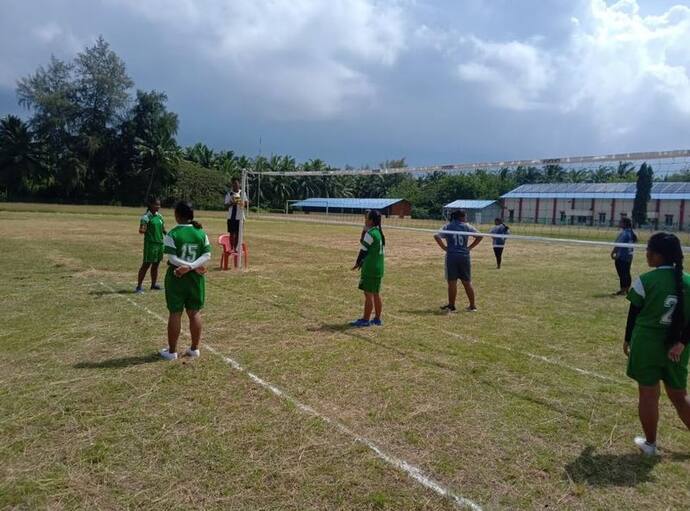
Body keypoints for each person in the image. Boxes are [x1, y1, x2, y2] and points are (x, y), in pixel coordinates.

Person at [624, 232, 690, 455]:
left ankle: (650, 445)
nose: (646, 255)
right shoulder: (688, 281)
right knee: (680, 397)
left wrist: (626, 339)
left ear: (658, 256)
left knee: (648, 394)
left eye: (649, 251)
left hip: (647, 345)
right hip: (677, 350)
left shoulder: (646, 280)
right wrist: (682, 342)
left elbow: (634, 313)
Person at [160, 202, 212, 361]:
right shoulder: (200, 232)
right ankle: (195, 348)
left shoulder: (172, 234)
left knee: (175, 312)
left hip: (177, 277)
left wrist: (186, 267)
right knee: (194, 312)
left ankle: (172, 352)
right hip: (196, 278)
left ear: (177, 215)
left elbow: (171, 257)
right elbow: (207, 255)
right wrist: (192, 266)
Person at [434, 210, 483, 313]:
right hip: (464, 256)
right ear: (461, 217)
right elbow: (480, 236)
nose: (466, 218)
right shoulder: (467, 226)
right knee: (467, 282)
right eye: (465, 216)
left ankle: (452, 306)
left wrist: (444, 247)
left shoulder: (447, 226)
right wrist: (469, 248)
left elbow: (436, 235)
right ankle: (473, 306)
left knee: (452, 282)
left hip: (452, 256)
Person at [350, 210, 385, 327]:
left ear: (371, 220)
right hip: (379, 268)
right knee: (376, 293)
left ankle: (365, 320)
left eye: (366, 218)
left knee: (368, 294)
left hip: (370, 268)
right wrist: (364, 231)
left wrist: (357, 262)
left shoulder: (370, 234)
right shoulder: (379, 232)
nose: (365, 220)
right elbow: (366, 244)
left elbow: (363, 250)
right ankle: (377, 319)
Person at [136, 197, 166, 293]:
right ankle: (139, 287)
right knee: (146, 265)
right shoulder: (146, 217)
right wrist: (143, 229)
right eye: (156, 204)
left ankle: (153, 285)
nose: (158, 206)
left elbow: (163, 229)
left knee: (156, 265)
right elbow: (142, 229)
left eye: (159, 205)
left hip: (160, 244)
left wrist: (170, 235)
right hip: (150, 245)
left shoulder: (160, 217)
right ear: (150, 205)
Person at [612, 217, 638, 295]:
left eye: (621, 222)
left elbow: (618, 245)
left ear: (624, 224)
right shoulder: (632, 233)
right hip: (629, 256)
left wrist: (613, 253)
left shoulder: (624, 233)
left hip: (622, 257)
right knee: (627, 272)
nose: (619, 223)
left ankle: (623, 289)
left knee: (622, 273)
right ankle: (627, 289)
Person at [224, 177, 248, 251]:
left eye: (237, 184)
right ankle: (231, 248)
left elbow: (246, 204)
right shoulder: (229, 194)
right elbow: (225, 205)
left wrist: (240, 202)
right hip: (231, 217)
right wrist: (232, 203)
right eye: (234, 184)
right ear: (232, 184)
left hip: (240, 217)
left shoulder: (242, 193)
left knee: (238, 234)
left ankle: (237, 248)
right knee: (232, 233)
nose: (235, 186)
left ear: (239, 184)